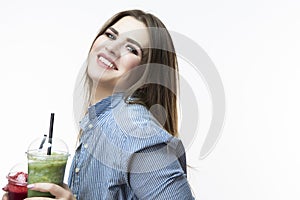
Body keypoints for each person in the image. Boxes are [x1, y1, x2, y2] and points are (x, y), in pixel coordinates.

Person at [3, 9, 195, 200]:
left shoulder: (137, 132)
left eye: (131, 49)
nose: (111, 48)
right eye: (111, 35)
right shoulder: (98, 124)